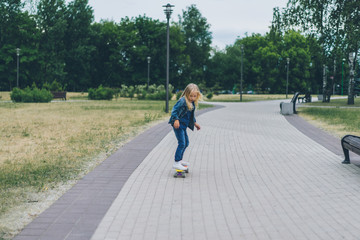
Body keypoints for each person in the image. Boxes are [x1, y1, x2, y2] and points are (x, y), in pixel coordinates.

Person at [168, 83, 202, 170]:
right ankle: (176, 162)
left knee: (186, 143)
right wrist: (176, 119)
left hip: (183, 126)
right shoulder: (183, 101)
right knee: (182, 143)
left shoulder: (192, 103)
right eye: (191, 96)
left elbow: (191, 115)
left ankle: (179, 160)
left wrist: (195, 123)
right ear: (186, 94)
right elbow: (174, 111)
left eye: (194, 96)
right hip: (178, 126)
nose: (192, 98)